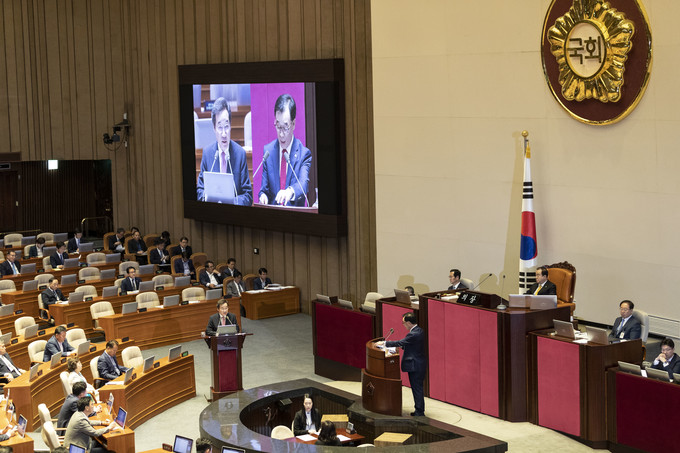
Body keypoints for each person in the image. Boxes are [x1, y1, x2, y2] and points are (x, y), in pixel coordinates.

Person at [196, 97, 253, 205]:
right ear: (214, 128)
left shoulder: (240, 154)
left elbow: (248, 196)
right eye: (220, 127)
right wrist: (206, 197)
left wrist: (231, 202)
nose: (223, 133)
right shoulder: (207, 154)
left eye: (226, 127)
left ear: (230, 126)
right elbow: (199, 190)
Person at [259, 94, 312, 207]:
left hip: (294, 216)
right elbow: (264, 189)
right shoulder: (268, 152)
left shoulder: (303, 154)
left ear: (293, 124)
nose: (281, 134)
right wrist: (263, 196)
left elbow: (303, 185)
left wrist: (289, 191)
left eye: (285, 127)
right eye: (278, 126)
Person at [380, 312, 426, 416]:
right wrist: (402, 346)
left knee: (417, 388)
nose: (403, 325)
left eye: (403, 323)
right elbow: (412, 345)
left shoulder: (413, 334)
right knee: (417, 388)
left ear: (409, 323)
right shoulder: (419, 331)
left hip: (415, 365)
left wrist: (385, 343)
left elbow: (401, 342)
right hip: (419, 364)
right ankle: (419, 409)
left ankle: (419, 411)